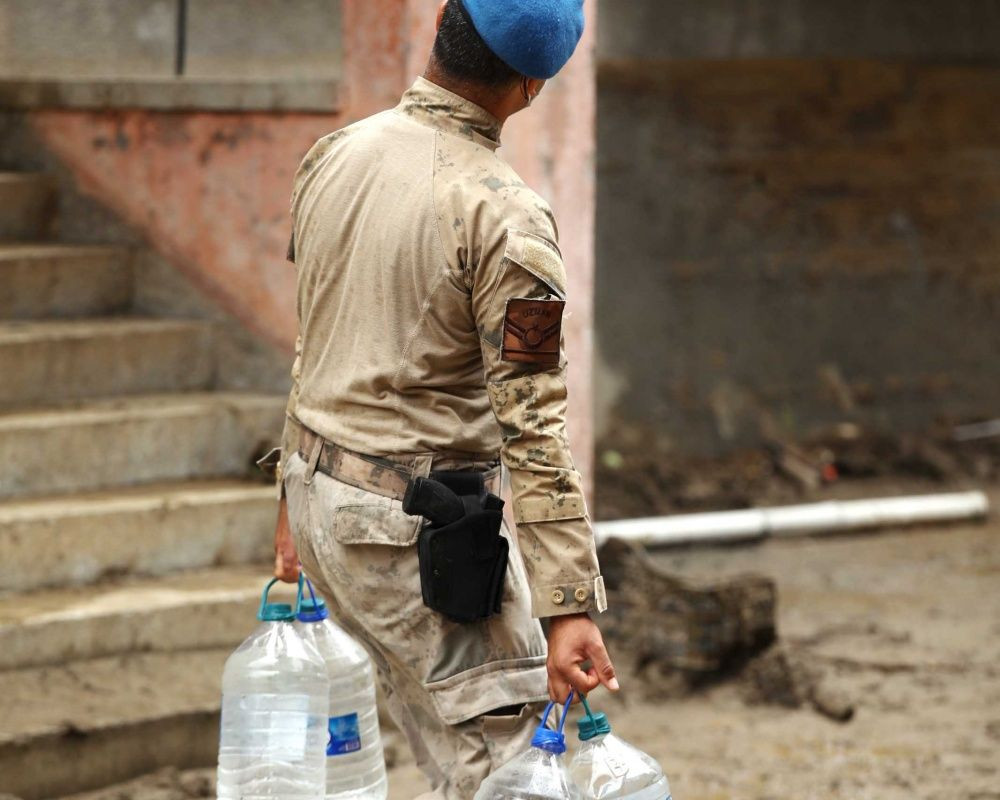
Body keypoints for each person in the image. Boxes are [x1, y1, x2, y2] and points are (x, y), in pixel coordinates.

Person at [263, 1, 617, 796]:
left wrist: (289, 495)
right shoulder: (505, 214)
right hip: (411, 537)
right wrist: (567, 605)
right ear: (531, 84)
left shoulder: (334, 155)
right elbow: (534, 426)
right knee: (515, 762)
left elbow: (313, 333)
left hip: (324, 511)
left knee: (441, 744)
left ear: (443, 28)